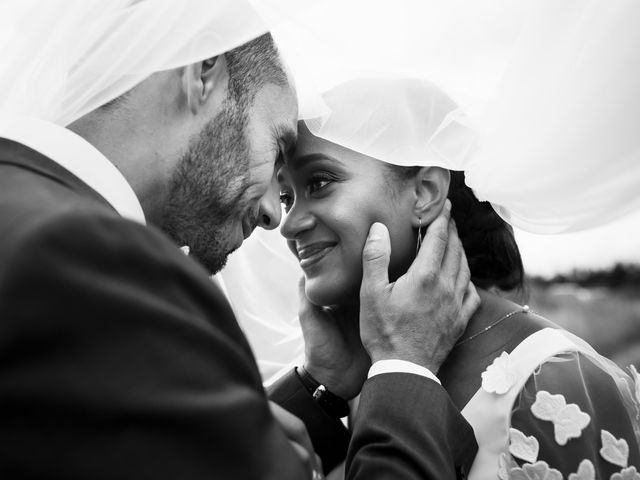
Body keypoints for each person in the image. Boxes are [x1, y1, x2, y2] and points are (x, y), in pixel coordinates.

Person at [0, 2, 479, 479]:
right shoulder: (101, 268)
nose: (275, 214)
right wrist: (405, 371)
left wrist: (319, 388)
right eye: (276, 148)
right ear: (202, 72)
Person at [274, 78, 640, 479]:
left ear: (425, 193)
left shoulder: (556, 383)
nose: (289, 224)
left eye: (319, 182)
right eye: (286, 197)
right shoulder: (371, 379)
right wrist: (320, 384)